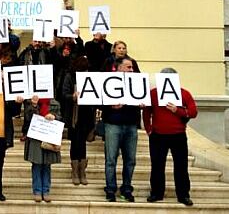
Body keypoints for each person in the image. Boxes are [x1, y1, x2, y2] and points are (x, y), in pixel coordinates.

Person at [143, 67, 198, 206]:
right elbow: (146, 112)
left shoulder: (183, 93)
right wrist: (149, 129)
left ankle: (183, 194)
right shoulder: (153, 94)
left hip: (178, 135)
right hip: (158, 135)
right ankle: (156, 193)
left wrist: (177, 110)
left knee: (181, 166)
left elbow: (193, 112)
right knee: (157, 165)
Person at [102, 57, 142, 202]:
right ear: (119, 68)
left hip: (131, 124)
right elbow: (99, 102)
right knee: (111, 159)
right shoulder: (107, 82)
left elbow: (141, 99)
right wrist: (109, 105)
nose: (132, 70)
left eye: (132, 67)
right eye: (128, 67)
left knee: (130, 160)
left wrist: (142, 104)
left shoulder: (137, 83)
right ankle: (110, 189)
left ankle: (126, 188)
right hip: (113, 124)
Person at [22, 95, 62, 203]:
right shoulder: (30, 101)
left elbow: (60, 118)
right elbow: (27, 118)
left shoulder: (55, 103)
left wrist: (54, 116)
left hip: (49, 137)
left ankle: (46, 191)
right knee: (37, 164)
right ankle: (37, 191)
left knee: (47, 165)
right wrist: (34, 105)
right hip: (35, 137)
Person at [62, 56, 94, 185]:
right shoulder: (69, 77)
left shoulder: (90, 77)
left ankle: (82, 170)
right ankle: (75, 171)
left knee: (83, 143)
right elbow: (64, 93)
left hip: (87, 114)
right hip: (75, 114)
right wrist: (72, 96)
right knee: (75, 143)